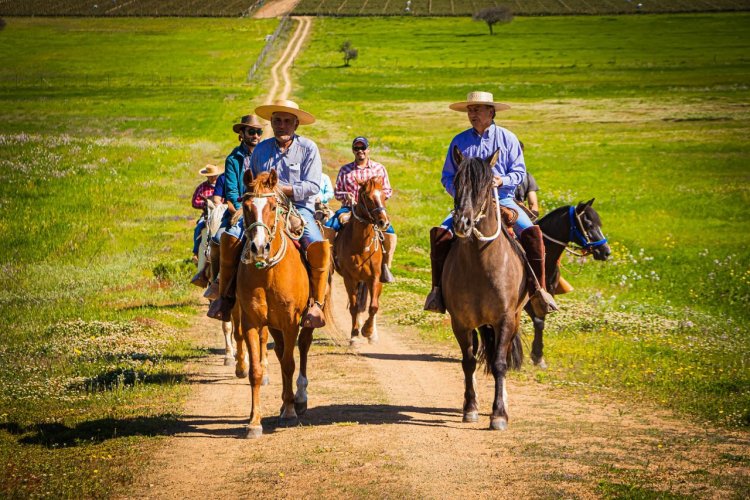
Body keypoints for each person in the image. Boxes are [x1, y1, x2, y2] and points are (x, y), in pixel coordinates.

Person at [423, 91, 558, 317]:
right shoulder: (459, 141)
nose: (472, 114)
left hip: (503, 199)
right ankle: (437, 292)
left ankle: (539, 291)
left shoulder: (508, 139)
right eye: (469, 110)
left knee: (533, 233)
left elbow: (519, 171)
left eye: (477, 109)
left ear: (491, 112)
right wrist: (464, 193)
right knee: (440, 235)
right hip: (468, 203)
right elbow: (447, 176)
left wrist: (501, 179)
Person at [248, 99, 330, 328]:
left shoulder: (308, 148)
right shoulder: (261, 150)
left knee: (315, 242)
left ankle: (316, 303)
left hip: (300, 207)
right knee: (233, 235)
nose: (281, 126)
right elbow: (254, 180)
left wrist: (282, 189)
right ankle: (225, 293)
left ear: (296, 125)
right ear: (272, 123)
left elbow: (313, 186)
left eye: (286, 121)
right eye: (277, 121)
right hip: (266, 207)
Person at [204, 114, 264, 318]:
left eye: (258, 131)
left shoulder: (265, 154)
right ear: (242, 134)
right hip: (238, 209)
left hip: (263, 208)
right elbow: (230, 189)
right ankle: (219, 285)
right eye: (251, 131)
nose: (255, 135)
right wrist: (239, 209)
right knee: (219, 239)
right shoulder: (233, 159)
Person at [323, 136, 397, 283]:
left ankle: (386, 266)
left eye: (363, 148)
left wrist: (376, 199)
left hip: (373, 211)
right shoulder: (345, 170)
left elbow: (387, 190)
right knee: (329, 227)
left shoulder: (379, 169)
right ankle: (328, 262)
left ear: (368, 150)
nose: (360, 151)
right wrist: (347, 196)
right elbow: (337, 192)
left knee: (390, 233)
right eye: (357, 148)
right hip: (349, 208)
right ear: (353, 151)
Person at [514, 142, 540, 219]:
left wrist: (531, 215)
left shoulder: (527, 177)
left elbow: (533, 205)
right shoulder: (527, 176)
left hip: (520, 214)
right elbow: (533, 205)